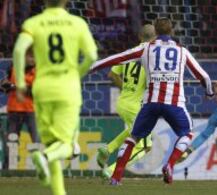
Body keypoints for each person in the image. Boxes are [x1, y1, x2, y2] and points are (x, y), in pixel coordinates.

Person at [91, 17, 213, 185]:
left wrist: (93, 67)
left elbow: (116, 59)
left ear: (156, 31)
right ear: (172, 31)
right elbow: (203, 76)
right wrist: (209, 91)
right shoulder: (182, 51)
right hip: (174, 103)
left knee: (133, 137)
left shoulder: (145, 49)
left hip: (149, 103)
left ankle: (116, 176)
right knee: (186, 133)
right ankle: (169, 165)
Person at [12, 0, 98, 194]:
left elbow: (18, 51)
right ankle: (44, 156)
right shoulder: (77, 23)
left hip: (42, 89)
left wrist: (20, 83)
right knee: (66, 146)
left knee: (52, 143)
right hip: (67, 88)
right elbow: (92, 55)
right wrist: (77, 73)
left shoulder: (33, 23)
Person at [96, 24, 156, 178]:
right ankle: (112, 170)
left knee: (133, 130)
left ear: (139, 37)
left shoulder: (128, 54)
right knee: (145, 145)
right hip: (136, 106)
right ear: (155, 38)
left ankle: (108, 149)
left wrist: (126, 89)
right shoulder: (152, 56)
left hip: (123, 102)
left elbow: (111, 74)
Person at [0, 50, 38, 169]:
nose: (33, 60)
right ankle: (8, 169)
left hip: (31, 110)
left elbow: (36, 92)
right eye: (31, 56)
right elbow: (6, 84)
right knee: (11, 142)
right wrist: (3, 84)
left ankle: (41, 168)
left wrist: (14, 87)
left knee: (37, 141)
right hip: (14, 110)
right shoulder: (13, 67)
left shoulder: (38, 71)